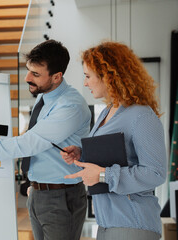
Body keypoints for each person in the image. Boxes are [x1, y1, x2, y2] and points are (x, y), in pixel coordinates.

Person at [0, 40, 91, 240]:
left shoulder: (69, 106)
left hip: (60, 197)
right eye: (28, 70)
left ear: (57, 77)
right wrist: (36, 184)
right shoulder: (45, 97)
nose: (27, 78)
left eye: (36, 74)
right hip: (40, 192)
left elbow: (29, 143)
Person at [61, 41, 167, 240]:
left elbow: (156, 173)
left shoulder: (141, 116)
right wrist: (81, 153)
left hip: (132, 224)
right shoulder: (107, 113)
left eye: (88, 76)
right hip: (108, 223)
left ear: (107, 76)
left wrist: (102, 175)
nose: (85, 83)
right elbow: (116, 155)